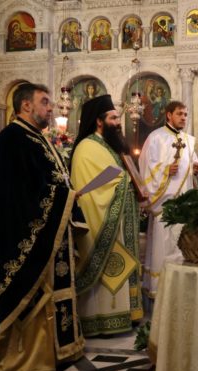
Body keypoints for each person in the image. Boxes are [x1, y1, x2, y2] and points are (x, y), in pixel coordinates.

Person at [0, 83, 84, 371]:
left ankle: (59, 349)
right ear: (26, 105)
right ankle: (31, 357)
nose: (51, 108)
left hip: (51, 230)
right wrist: (64, 197)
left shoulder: (36, 138)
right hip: (27, 234)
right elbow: (17, 196)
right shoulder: (12, 139)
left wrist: (66, 196)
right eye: (45, 102)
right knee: (34, 293)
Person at [70, 94, 143, 337]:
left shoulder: (108, 145)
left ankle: (127, 314)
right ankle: (100, 320)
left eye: (117, 118)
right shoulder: (87, 147)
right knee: (108, 271)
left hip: (120, 220)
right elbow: (89, 190)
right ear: (99, 121)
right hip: (103, 221)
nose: (117, 123)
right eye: (113, 118)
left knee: (122, 266)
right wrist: (125, 183)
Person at [138, 100, 198, 298]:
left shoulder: (189, 140)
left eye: (185, 114)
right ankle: (160, 288)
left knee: (182, 244)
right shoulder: (155, 138)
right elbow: (145, 165)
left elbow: (192, 164)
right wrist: (165, 171)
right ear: (169, 115)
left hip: (184, 204)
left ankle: (181, 288)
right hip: (163, 204)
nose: (183, 118)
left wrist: (195, 169)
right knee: (163, 246)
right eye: (179, 114)